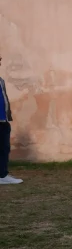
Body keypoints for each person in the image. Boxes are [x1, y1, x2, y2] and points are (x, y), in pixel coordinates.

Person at [0, 53, 23, 185]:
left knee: (4, 148)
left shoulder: (0, 80)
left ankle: (2, 174)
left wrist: (7, 117)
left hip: (2, 121)